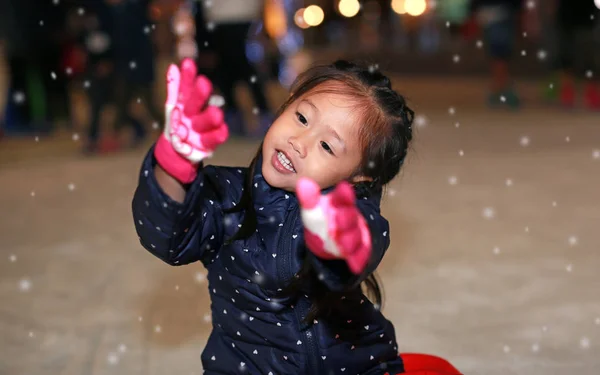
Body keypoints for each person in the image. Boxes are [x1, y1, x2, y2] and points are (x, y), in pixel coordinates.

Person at [131, 59, 462, 375]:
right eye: (302, 118)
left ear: (356, 180)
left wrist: (337, 245)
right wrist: (174, 164)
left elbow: (361, 240)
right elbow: (170, 236)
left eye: (327, 147)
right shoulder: (228, 195)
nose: (299, 142)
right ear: (287, 105)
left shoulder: (348, 216)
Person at [469, 0, 524, 108]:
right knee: (499, 54)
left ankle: (500, 87)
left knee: (499, 54)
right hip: (496, 13)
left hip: (498, 12)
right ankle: (501, 88)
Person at [553, 0, 600, 109]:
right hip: (567, 17)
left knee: (589, 58)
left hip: (587, 18)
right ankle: (567, 93)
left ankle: (592, 94)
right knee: (566, 56)